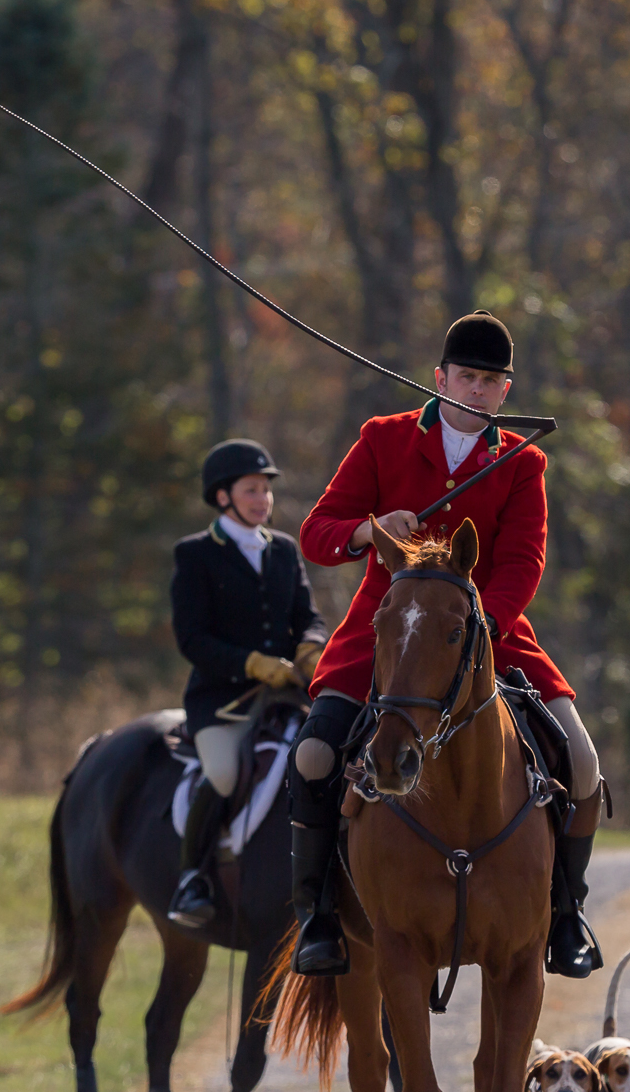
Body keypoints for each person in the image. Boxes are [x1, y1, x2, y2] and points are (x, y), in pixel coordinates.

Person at [285, 311, 604, 979]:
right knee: (315, 754)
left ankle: (567, 913)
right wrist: (370, 531)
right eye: (468, 376)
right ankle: (316, 914)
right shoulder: (384, 439)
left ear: (506, 391)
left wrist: (478, 631)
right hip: (387, 630)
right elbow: (318, 531)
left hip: (488, 633)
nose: (479, 390)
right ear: (440, 377)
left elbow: (522, 563)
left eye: (492, 381)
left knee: (582, 763)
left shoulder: (524, 461)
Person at [165, 439, 328, 929]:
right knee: (223, 774)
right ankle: (191, 877)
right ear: (223, 497)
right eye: (251, 490)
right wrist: (253, 663)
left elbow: (309, 616)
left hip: (291, 691)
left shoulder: (283, 550)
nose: (263, 500)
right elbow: (191, 638)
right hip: (223, 699)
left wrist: (309, 647)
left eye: (266, 491)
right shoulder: (195, 554)